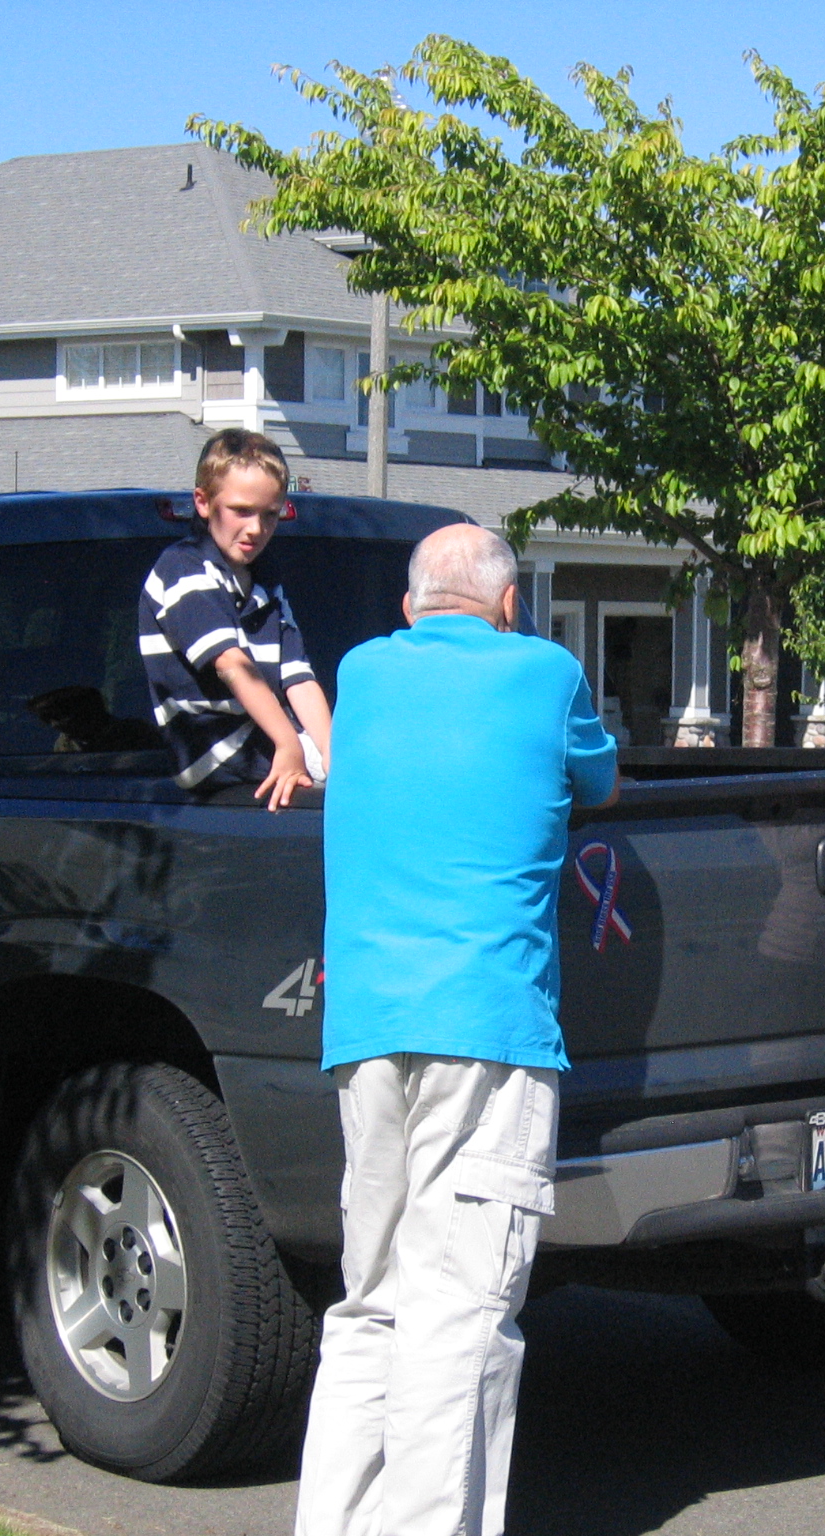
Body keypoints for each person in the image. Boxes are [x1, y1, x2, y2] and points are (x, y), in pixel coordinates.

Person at [297, 523, 620, 1536]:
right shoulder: (545, 672)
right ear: (508, 606)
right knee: (461, 1312)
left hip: (364, 1028)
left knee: (371, 1302)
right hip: (488, 1028)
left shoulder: (360, 672)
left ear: (409, 608)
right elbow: (598, 781)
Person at [137, 429, 331, 808]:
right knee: (387, 778)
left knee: (364, 765)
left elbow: (298, 676)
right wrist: (288, 744)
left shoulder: (265, 579)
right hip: (217, 750)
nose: (256, 528)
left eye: (270, 515)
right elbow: (231, 665)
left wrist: (332, 754)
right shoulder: (184, 568)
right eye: (241, 511)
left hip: (264, 737)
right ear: (203, 502)